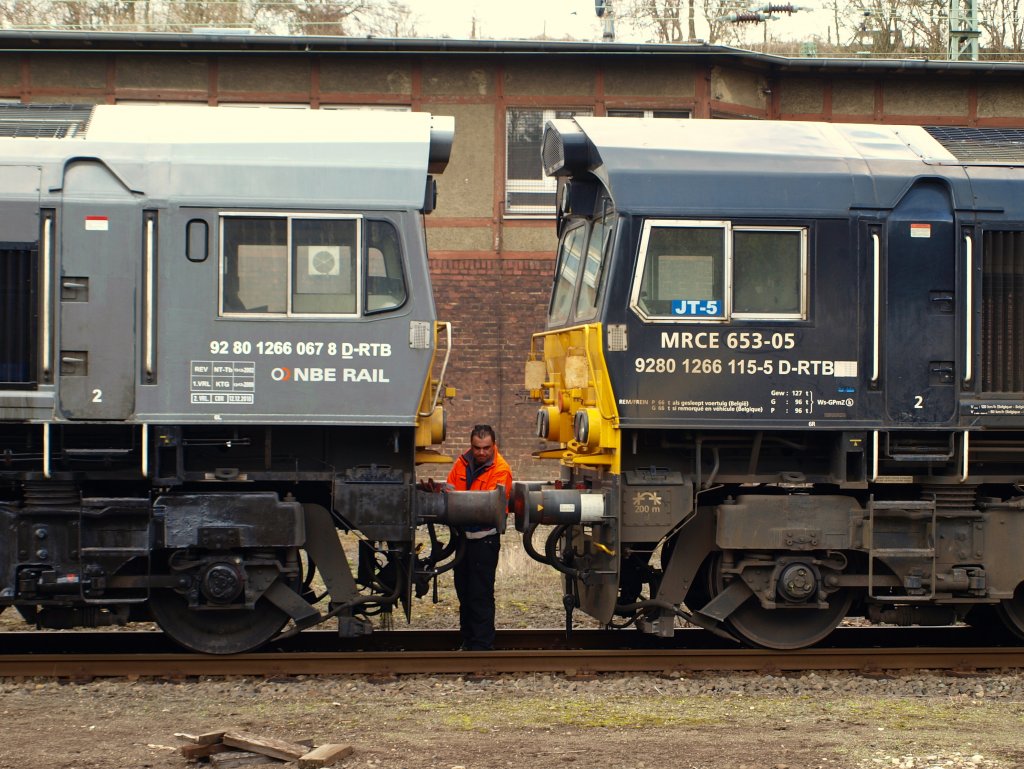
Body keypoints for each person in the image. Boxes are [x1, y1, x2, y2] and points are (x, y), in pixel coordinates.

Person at [446, 424, 512, 651]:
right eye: (477, 448)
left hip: (484, 540)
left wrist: (458, 501)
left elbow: (489, 508)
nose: (481, 452)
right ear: (471, 446)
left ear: (494, 446)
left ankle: (482, 646)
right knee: (463, 592)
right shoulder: (461, 463)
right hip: (464, 539)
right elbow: (450, 491)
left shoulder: (501, 470)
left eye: (486, 448)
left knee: (480, 594)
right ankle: (468, 641)